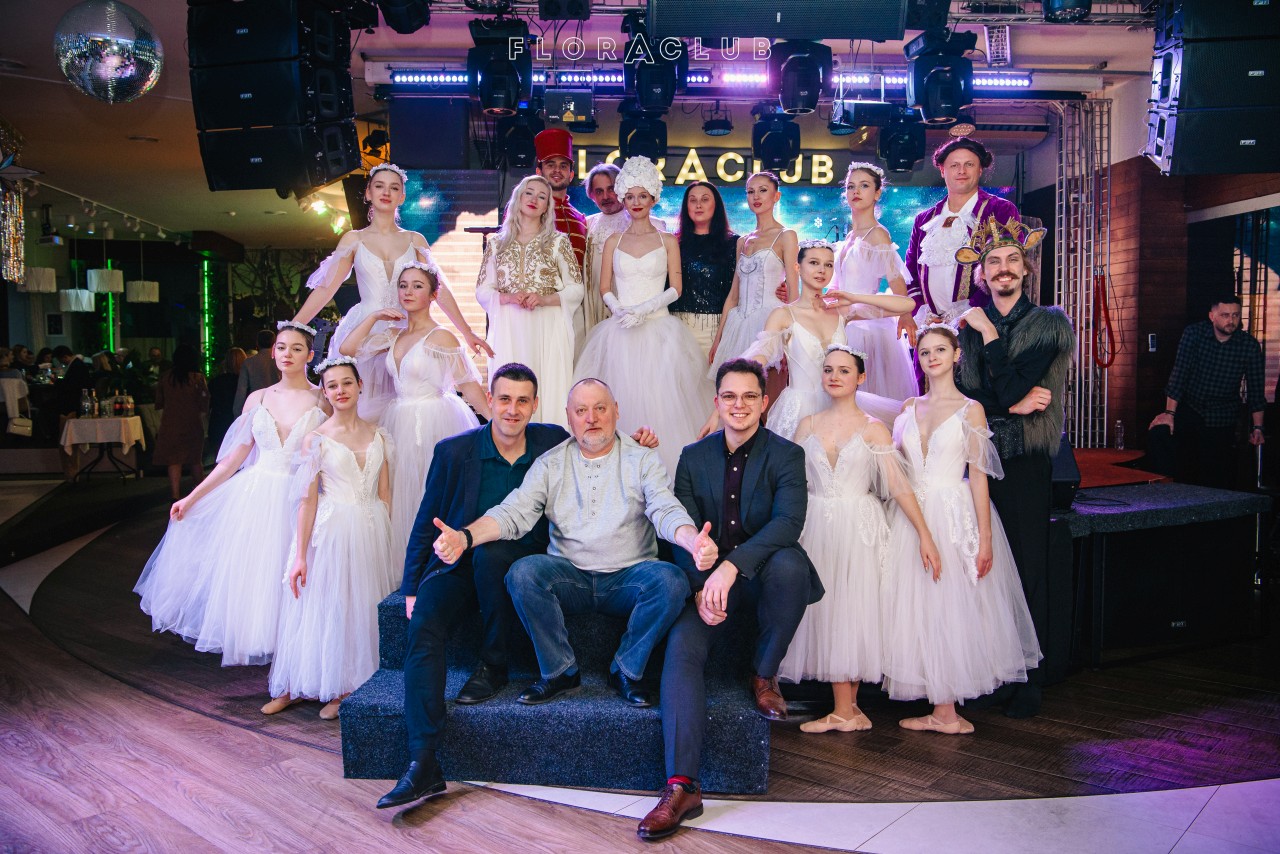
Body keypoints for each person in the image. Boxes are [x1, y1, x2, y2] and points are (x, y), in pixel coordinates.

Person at [376, 364, 663, 810]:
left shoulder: (552, 442)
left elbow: (600, 434)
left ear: (535, 406)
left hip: (520, 565)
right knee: (425, 624)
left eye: (523, 400)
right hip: (457, 563)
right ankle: (423, 760)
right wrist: (412, 585)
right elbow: (425, 520)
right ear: (489, 401)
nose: (513, 409)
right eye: (504, 399)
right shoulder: (453, 451)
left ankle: (495, 664)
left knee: (496, 559)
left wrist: (638, 440)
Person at [432, 378, 714, 710]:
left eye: (600, 408)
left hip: (630, 577)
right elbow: (513, 512)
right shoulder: (550, 463)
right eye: (581, 411)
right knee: (522, 573)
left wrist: (691, 539)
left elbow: (664, 508)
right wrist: (464, 537)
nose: (591, 418)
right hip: (569, 576)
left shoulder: (642, 459)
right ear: (569, 417)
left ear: (616, 411)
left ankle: (626, 670)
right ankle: (560, 671)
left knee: (672, 581)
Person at [637, 359, 820, 840]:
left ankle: (763, 673)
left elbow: (788, 524)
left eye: (749, 396)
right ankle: (682, 786)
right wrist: (699, 587)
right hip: (708, 584)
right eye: (730, 397)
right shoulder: (692, 457)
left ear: (764, 402)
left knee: (792, 565)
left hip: (762, 576)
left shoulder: (787, 455)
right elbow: (680, 533)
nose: (739, 405)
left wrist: (732, 565)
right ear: (717, 402)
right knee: (682, 649)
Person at [134, 322, 328, 666]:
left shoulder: (322, 399)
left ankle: (297, 644)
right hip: (256, 495)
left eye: (297, 348)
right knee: (257, 570)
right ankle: (264, 639)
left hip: (301, 495)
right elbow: (231, 461)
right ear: (273, 352)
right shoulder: (259, 398)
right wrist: (191, 498)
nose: (287, 354)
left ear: (310, 356)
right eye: (281, 347)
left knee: (299, 567)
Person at [883, 323, 1041, 735]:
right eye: (924, 352)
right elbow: (896, 467)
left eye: (940, 349)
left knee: (948, 604)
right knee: (918, 607)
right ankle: (942, 710)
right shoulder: (907, 407)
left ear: (956, 355)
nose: (931, 357)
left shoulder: (970, 409)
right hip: (911, 515)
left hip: (953, 513)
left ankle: (946, 711)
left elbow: (979, 475)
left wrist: (985, 539)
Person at [780, 346, 938, 733]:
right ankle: (848, 709)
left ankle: (845, 711)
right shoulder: (807, 425)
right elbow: (793, 483)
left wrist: (924, 534)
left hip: (859, 526)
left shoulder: (873, 428)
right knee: (828, 609)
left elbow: (898, 486)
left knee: (851, 608)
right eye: (828, 370)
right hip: (816, 523)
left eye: (844, 370)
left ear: (860, 378)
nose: (834, 376)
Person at [954, 217, 1074, 719]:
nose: (1003, 268)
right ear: (982, 273)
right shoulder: (966, 327)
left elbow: (1004, 389)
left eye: (1012, 260)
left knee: (1027, 565)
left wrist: (988, 335)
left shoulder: (1049, 324)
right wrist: (1010, 403)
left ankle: (1030, 677)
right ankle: (992, 671)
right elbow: (966, 395)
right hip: (978, 458)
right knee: (982, 563)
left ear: (1026, 268)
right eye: (994, 262)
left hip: (1024, 459)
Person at [291, 163, 492, 420]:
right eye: (379, 186)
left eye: (394, 188)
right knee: (362, 408)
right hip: (365, 328)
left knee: (410, 401)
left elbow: (438, 288)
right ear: (368, 193)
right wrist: (293, 327)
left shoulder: (414, 240)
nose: (386, 192)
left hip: (406, 326)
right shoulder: (354, 239)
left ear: (402, 197)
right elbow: (326, 289)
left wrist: (466, 331)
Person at [264, 357, 397, 721]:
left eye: (347, 383)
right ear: (325, 392)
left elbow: (386, 493)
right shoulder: (316, 439)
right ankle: (295, 684)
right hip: (332, 529)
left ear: (360, 386)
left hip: (370, 528)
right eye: (332, 385)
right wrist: (300, 555)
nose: (340, 390)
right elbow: (307, 500)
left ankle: (346, 686)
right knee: (324, 604)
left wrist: (384, 536)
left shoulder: (379, 434)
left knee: (358, 607)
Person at [340, 260, 492, 562]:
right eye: (403, 285)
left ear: (433, 295)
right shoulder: (393, 335)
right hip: (398, 420)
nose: (408, 292)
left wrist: (495, 422)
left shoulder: (442, 337)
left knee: (428, 489)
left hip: (434, 420)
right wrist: (374, 316)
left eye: (417, 286)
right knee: (398, 492)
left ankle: (436, 563)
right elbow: (348, 349)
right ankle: (406, 565)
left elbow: (468, 385)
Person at [574, 156, 714, 481]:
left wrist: (644, 309)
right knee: (619, 401)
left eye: (642, 196)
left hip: (659, 329)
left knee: (664, 404)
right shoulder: (613, 241)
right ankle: (618, 478)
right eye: (630, 196)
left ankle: (667, 480)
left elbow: (676, 288)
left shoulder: (667, 240)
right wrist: (619, 309)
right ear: (623, 199)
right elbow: (604, 287)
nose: (636, 202)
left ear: (653, 199)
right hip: (620, 331)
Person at [727, 240, 908, 441]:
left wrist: (855, 297)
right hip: (799, 409)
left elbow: (906, 305)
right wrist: (731, 389)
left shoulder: (840, 310)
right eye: (814, 263)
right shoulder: (784, 314)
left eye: (828, 265)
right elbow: (759, 356)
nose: (822, 270)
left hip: (841, 405)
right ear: (797, 267)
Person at [475, 175, 584, 427]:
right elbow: (482, 290)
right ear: (518, 198)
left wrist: (543, 299)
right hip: (510, 326)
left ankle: (550, 441)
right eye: (529, 193)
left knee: (548, 384)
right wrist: (507, 297)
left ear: (547, 206)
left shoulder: (558, 242)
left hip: (547, 326)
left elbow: (576, 289)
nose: (534, 199)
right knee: (510, 383)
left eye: (542, 196)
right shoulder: (497, 244)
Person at [903, 137, 1021, 342]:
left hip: (980, 324)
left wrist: (966, 312)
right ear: (942, 170)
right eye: (954, 165)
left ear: (980, 170)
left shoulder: (1000, 210)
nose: (961, 171)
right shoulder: (924, 220)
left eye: (969, 164)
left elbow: (1005, 270)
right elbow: (910, 272)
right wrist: (922, 311)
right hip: (930, 327)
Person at [1148, 294, 1265, 489]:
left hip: (1223, 415)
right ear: (1212, 316)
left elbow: (1256, 389)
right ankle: (1165, 495)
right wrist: (1169, 413)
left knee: (1215, 476)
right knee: (1162, 437)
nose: (1231, 320)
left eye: (1235, 315)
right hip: (1191, 406)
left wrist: (1258, 427)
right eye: (1225, 315)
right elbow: (1179, 373)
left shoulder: (1249, 345)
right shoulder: (1194, 334)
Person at [708, 172, 799, 404]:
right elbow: (733, 295)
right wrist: (719, 339)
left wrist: (791, 340)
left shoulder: (786, 236)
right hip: (738, 325)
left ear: (776, 196)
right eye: (750, 191)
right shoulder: (743, 241)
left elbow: (793, 290)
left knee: (768, 398)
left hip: (770, 324)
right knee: (736, 397)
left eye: (763, 190)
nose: (756, 196)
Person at [831, 162, 918, 400]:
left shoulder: (878, 234)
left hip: (866, 329)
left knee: (866, 399)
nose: (856, 191)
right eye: (851, 186)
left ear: (877, 193)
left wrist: (905, 315)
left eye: (864, 186)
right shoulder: (850, 236)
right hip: (842, 324)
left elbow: (897, 283)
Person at [672, 181, 738, 360]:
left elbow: (740, 290)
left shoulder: (733, 244)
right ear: (686, 206)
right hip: (676, 328)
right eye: (693, 200)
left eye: (705, 199)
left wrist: (780, 288)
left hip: (715, 330)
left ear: (716, 205)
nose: (698, 205)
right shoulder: (673, 242)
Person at [152, 344, 210, 500]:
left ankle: (175, 495)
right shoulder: (197, 378)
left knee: (174, 461)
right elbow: (204, 402)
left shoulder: (166, 377)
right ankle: (201, 494)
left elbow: (159, 402)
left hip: (170, 424)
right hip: (192, 424)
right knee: (195, 460)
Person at [582, 162, 629, 347]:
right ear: (591, 195)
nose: (606, 196)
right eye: (599, 191)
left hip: (626, 304)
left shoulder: (639, 223)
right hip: (593, 303)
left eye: (611, 189)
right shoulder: (586, 224)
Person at [52, 346, 93, 481]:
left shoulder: (76, 366)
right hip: (74, 405)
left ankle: (71, 472)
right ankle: (72, 472)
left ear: (64, 357)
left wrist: (58, 381)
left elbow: (70, 387)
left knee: (68, 439)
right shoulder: (78, 365)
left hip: (71, 407)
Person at [233, 329, 280, 416]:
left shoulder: (248, 363)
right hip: (278, 407)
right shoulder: (281, 361)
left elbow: (241, 392)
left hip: (256, 409)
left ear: (257, 343)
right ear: (274, 343)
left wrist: (238, 414)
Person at [207, 346, 246, 449]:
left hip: (219, 424)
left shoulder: (216, 382)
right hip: (239, 425)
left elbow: (209, 404)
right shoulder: (244, 382)